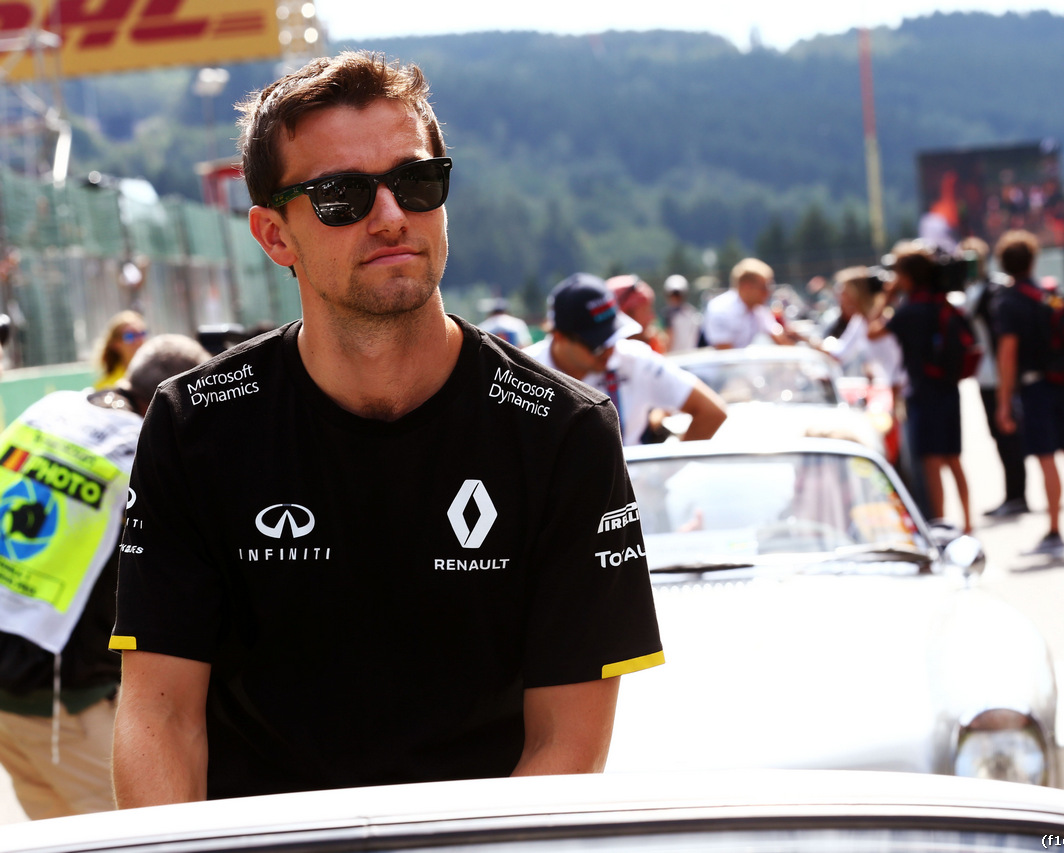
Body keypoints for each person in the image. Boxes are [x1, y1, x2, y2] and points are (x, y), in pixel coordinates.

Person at [110, 51, 664, 807]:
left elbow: (564, 744)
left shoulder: (565, 433)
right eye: (340, 194)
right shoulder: (193, 425)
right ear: (275, 236)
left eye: (417, 180)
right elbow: (158, 715)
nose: (392, 215)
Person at [0, 335, 209, 820]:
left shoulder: (49, 410)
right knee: (128, 835)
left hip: (14, 695)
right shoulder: (141, 456)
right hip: (63, 700)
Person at [526, 273, 727, 445]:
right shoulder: (520, 371)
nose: (610, 350)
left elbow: (712, 412)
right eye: (597, 343)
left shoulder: (635, 359)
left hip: (630, 490)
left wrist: (664, 473)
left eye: (614, 336)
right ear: (559, 336)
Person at [993, 230, 1064, 557]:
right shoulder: (1051, 294)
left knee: (1047, 460)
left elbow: (1008, 355)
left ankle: (1054, 530)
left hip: (1035, 387)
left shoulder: (1008, 302)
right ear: (1033, 260)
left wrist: (1003, 402)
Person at [868, 242, 971, 533]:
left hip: (923, 394)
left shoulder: (908, 311)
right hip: (949, 389)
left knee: (931, 463)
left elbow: (872, 331)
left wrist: (886, 297)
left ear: (907, 276)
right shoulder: (943, 302)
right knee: (954, 459)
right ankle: (969, 522)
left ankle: (939, 526)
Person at [961, 237, 1028, 518]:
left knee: (1009, 435)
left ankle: (1016, 495)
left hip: (999, 372)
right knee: (1001, 436)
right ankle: (1013, 494)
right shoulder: (974, 290)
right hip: (986, 373)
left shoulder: (994, 289)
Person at [702, 258, 797, 349]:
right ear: (746, 287)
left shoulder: (758, 309)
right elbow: (726, 355)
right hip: (724, 365)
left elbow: (779, 337)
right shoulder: (720, 309)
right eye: (764, 287)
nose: (768, 292)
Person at [91, 310, 147, 390]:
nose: (138, 341)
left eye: (141, 334)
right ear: (115, 344)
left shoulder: (159, 375)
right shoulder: (106, 387)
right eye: (130, 336)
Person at [607, 275, 665, 353]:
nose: (652, 317)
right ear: (627, 315)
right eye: (646, 310)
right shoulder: (607, 359)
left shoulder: (652, 346)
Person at [661, 275, 701, 353]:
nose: (675, 298)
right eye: (672, 295)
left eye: (678, 295)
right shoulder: (667, 315)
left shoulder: (693, 315)